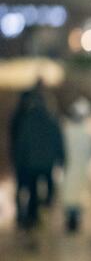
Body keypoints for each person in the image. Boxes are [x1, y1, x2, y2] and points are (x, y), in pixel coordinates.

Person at [10, 83, 64, 230]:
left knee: (32, 190)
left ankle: (31, 217)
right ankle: (43, 209)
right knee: (47, 186)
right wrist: (61, 157)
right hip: (46, 163)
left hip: (30, 163)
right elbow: (57, 139)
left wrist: (18, 160)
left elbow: (22, 143)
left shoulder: (27, 119)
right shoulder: (51, 119)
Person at [60, 96, 91, 232]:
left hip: (69, 167)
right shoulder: (85, 133)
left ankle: (70, 219)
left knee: (69, 192)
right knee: (78, 193)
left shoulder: (66, 131)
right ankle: (75, 218)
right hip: (81, 168)